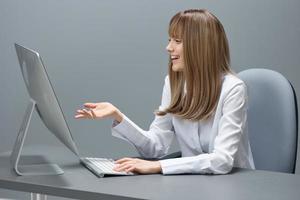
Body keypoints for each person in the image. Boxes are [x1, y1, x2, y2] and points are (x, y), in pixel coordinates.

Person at [75, 9, 255, 175]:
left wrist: (160, 166)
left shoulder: (233, 89)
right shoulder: (173, 84)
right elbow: (155, 148)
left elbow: (221, 161)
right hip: (194, 181)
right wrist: (118, 116)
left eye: (177, 41)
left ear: (200, 47)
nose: (168, 47)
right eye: (170, 40)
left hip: (234, 186)